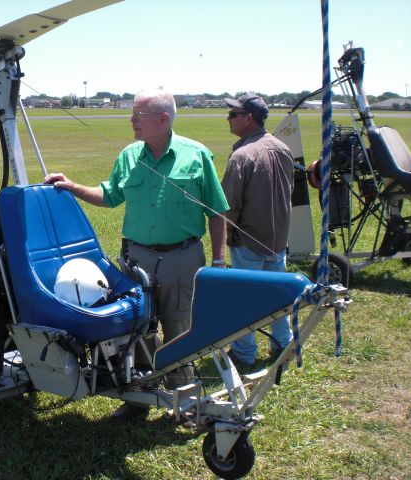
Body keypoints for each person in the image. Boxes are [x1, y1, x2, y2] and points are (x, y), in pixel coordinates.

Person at [45, 89, 229, 418]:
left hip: (182, 258)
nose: (131, 121)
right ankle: (138, 399)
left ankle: (183, 401)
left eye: (137, 116)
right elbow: (110, 195)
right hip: (136, 260)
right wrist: (73, 186)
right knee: (136, 329)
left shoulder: (197, 155)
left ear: (163, 119)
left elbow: (217, 213)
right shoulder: (129, 155)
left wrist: (217, 261)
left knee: (179, 329)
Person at [221, 93, 294, 365]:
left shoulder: (241, 155)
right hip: (278, 241)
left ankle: (244, 354)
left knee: (245, 301)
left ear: (248, 119)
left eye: (233, 114)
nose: (228, 119)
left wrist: (228, 236)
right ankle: (284, 348)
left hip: (248, 243)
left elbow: (229, 206)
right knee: (279, 299)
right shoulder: (283, 148)